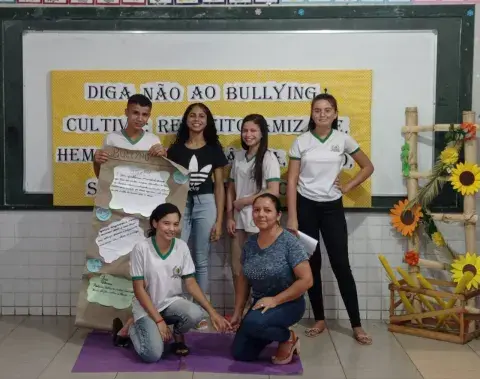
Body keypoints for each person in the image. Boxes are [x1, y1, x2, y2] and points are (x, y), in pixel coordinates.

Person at [286, 92, 374, 345]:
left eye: (327, 110)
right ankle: (320, 319)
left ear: (335, 114)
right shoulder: (301, 142)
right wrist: (292, 217)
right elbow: (291, 180)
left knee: (341, 265)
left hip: (332, 208)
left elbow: (367, 166)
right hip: (305, 208)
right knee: (311, 265)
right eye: (317, 110)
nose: (322, 114)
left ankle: (356, 325)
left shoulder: (343, 139)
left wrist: (348, 186)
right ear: (311, 113)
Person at [127, 203, 231, 362]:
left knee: (196, 313)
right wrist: (159, 321)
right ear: (155, 223)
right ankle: (132, 328)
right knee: (152, 355)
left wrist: (213, 313)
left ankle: (177, 334)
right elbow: (139, 290)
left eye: (175, 224)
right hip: (146, 308)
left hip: (170, 304)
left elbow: (191, 283)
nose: (172, 229)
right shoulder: (141, 248)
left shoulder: (181, 247)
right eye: (166, 223)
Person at [230, 193, 313, 364]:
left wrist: (275, 300)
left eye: (267, 210)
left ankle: (287, 337)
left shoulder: (290, 242)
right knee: (241, 353)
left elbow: (307, 280)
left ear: (278, 215)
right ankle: (262, 327)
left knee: (254, 323)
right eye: (257, 210)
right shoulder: (250, 244)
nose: (261, 214)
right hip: (260, 304)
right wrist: (238, 311)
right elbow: (243, 279)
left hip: (289, 303)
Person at [167, 103, 228, 329]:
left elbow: (220, 186)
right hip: (180, 206)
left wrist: (219, 221)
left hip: (206, 204)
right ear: (186, 120)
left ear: (207, 121)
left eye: (202, 116)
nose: (197, 119)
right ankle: (181, 310)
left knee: (201, 260)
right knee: (178, 257)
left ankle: (202, 312)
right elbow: (168, 182)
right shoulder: (175, 150)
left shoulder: (213, 149)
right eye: (192, 115)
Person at [226, 114, 281, 308]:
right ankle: (240, 311)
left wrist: (246, 201)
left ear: (262, 133)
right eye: (245, 130)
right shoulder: (239, 156)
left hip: (260, 222)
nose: (248, 134)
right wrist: (230, 216)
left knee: (260, 269)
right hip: (239, 221)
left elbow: (273, 191)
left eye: (253, 131)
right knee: (237, 268)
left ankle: (261, 309)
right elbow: (230, 189)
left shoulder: (269, 157)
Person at [93, 93, 166, 177]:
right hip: (118, 189)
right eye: (135, 113)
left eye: (144, 114)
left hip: (143, 189)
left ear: (149, 116)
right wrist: (96, 162)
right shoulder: (111, 139)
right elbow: (101, 177)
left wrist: (164, 158)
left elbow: (159, 176)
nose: (140, 119)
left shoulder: (154, 140)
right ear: (126, 112)